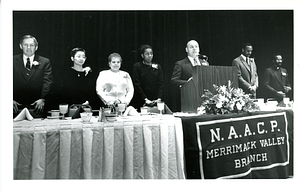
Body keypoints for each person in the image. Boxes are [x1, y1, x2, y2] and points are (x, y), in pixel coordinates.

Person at [13, 35, 53, 118]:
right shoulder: (11, 60)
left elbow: (47, 82)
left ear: (36, 47)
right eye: (25, 45)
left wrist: (42, 99)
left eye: (31, 45)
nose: (28, 47)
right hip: (15, 106)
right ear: (20, 46)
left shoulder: (45, 61)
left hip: (37, 106)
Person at [132, 45, 172, 114]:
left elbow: (161, 84)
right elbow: (137, 84)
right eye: (147, 54)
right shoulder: (137, 66)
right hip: (142, 101)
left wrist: (159, 98)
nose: (150, 56)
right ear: (142, 55)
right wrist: (145, 99)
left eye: (151, 54)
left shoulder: (157, 67)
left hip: (156, 101)